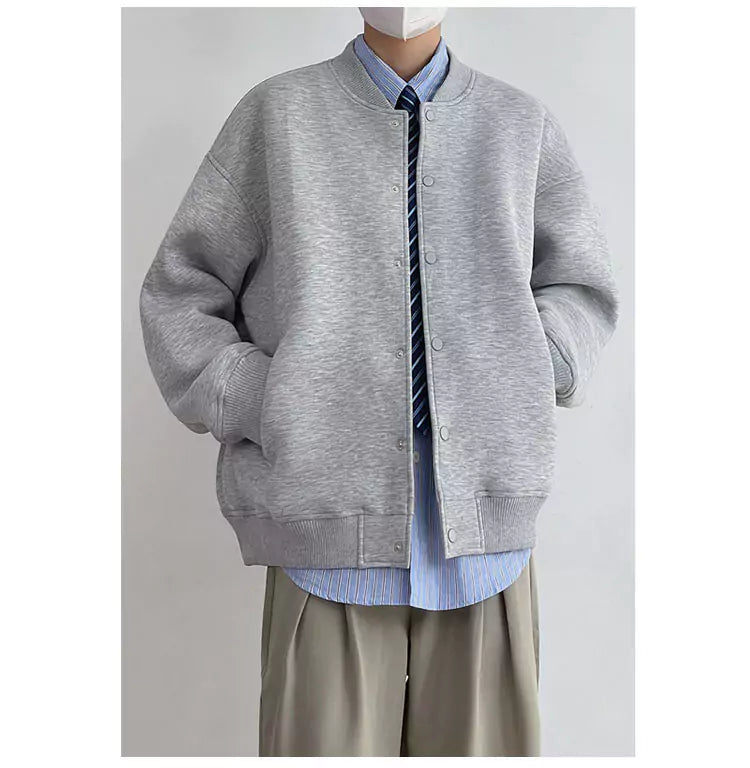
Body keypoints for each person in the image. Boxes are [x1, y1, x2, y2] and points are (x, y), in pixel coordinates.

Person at [139, 7, 619, 757]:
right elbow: (179, 295)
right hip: (322, 545)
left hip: (486, 555)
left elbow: (582, 289)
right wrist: (274, 400)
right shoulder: (278, 118)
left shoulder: (519, 126)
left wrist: (529, 367)